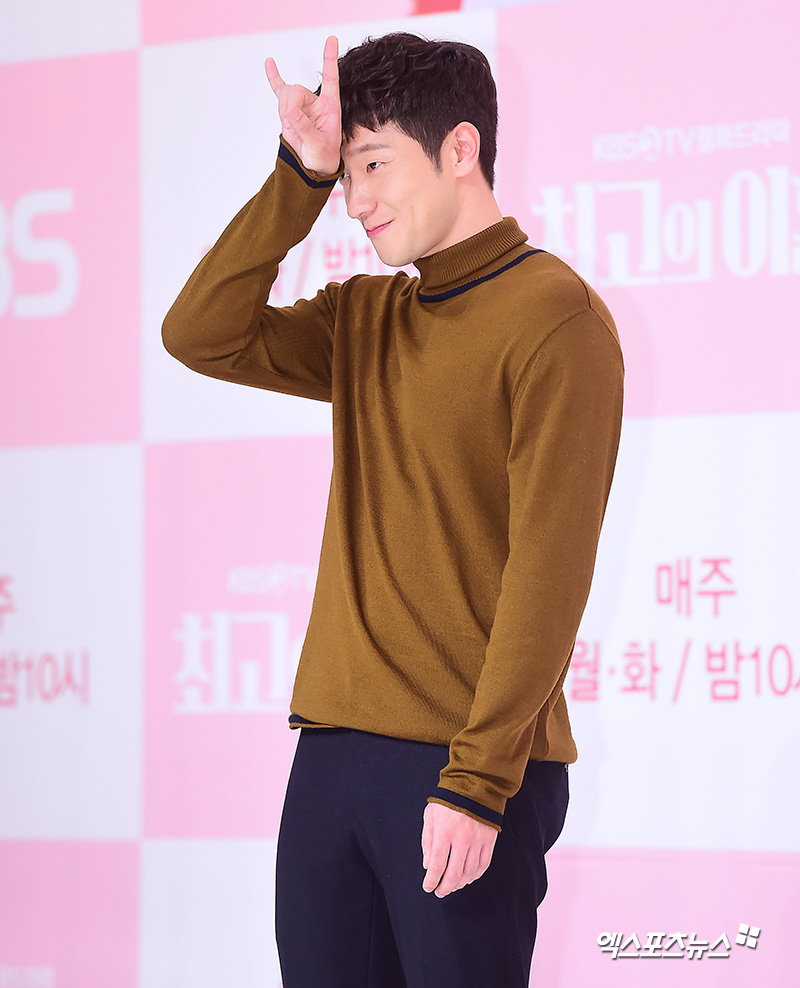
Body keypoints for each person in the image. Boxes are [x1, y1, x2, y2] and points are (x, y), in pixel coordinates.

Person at [162, 31, 624, 988]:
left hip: (462, 769)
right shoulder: (366, 318)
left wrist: (479, 783)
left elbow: (549, 576)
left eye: (373, 165)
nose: (356, 201)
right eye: (347, 175)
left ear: (460, 148)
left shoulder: (558, 319)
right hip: (331, 759)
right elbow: (199, 333)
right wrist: (298, 175)